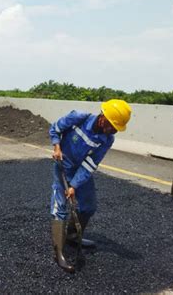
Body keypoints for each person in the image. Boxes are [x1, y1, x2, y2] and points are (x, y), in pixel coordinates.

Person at [49, 99, 132, 272]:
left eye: (116, 128)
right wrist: (56, 146)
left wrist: (74, 186)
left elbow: (90, 164)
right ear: (103, 117)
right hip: (62, 164)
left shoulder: (107, 139)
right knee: (60, 206)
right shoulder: (79, 117)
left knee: (88, 206)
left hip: (80, 169)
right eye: (111, 125)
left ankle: (72, 236)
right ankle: (58, 252)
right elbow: (55, 128)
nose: (113, 130)